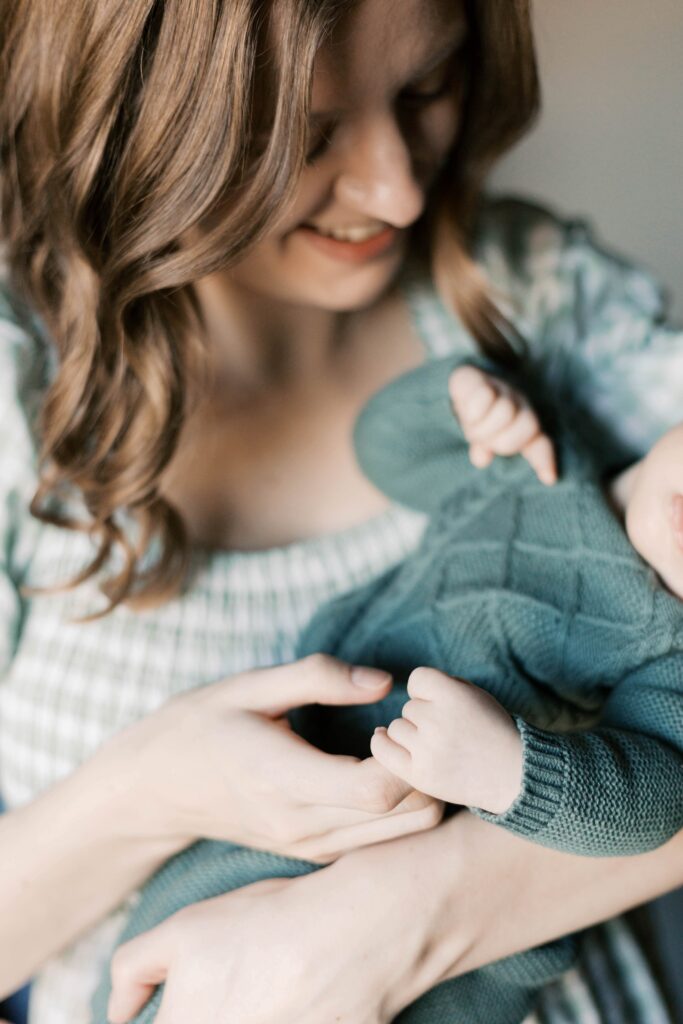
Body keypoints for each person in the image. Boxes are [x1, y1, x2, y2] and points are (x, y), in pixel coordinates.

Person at [0, 2, 682, 1024]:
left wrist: (399, 916)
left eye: (425, 89)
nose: (397, 190)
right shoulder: (20, 398)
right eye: (304, 135)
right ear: (137, 115)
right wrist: (151, 790)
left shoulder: (530, 300)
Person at [92, 351, 683, 1024]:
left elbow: (654, 801)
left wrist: (511, 771)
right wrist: (457, 404)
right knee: (166, 956)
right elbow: (384, 453)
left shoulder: (666, 652)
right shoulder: (538, 445)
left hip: (437, 894)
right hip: (314, 760)